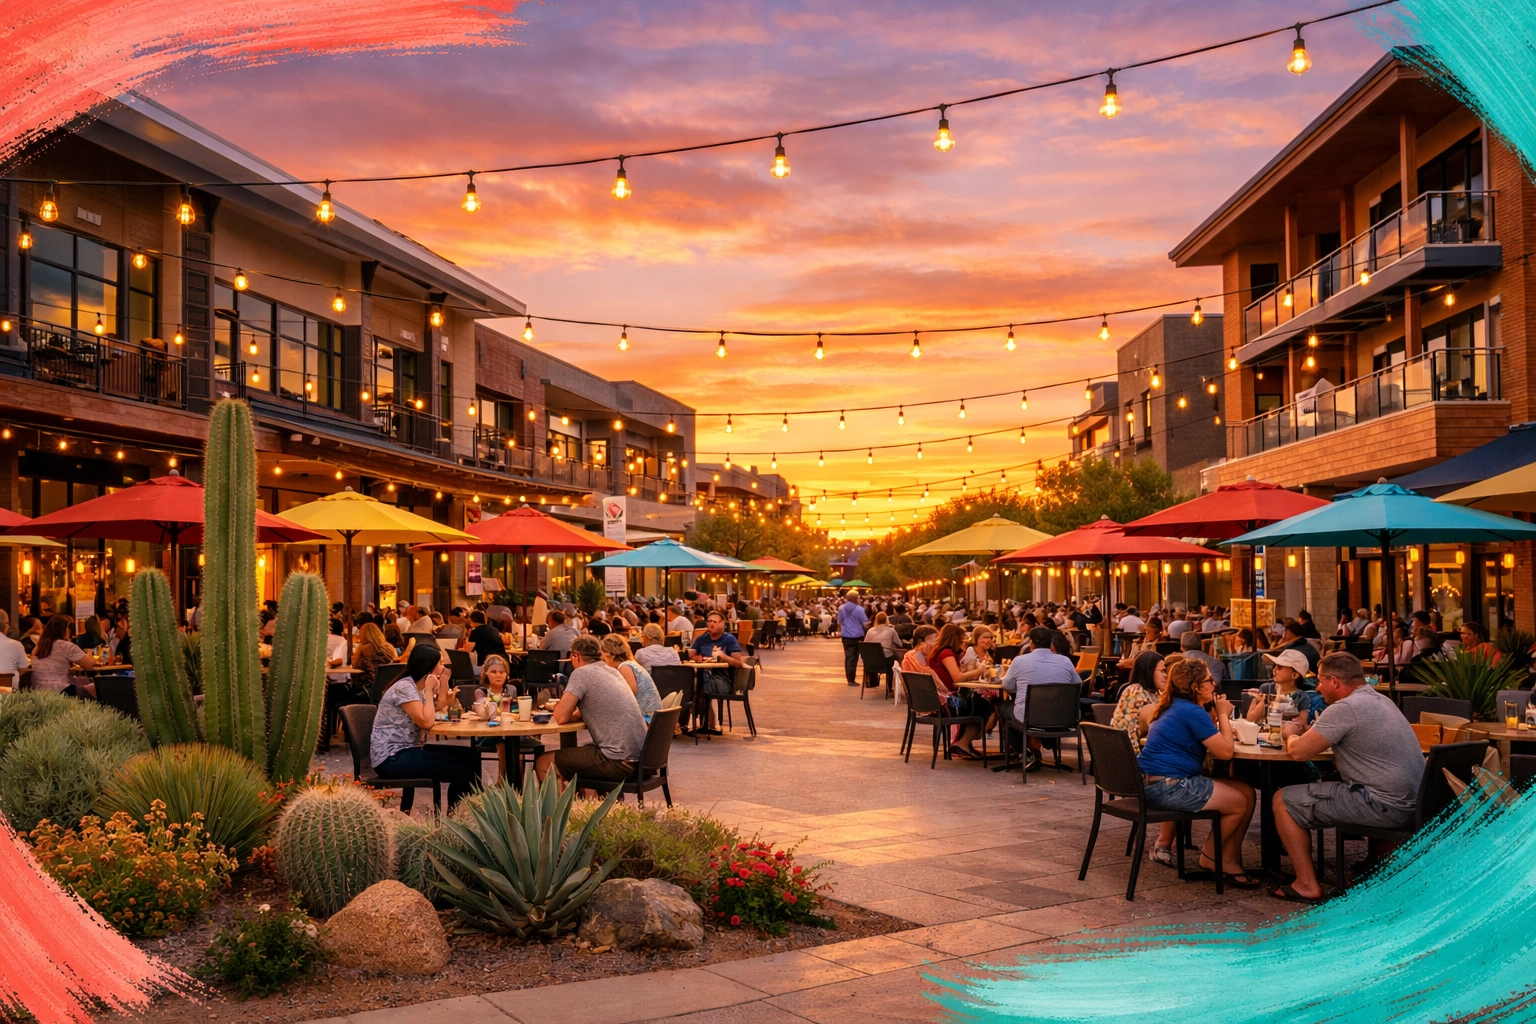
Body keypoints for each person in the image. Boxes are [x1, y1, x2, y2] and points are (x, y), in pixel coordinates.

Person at [1271, 652, 1427, 903]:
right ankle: (1376, 863)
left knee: (1282, 800)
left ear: (1334, 681)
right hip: (1416, 805)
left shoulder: (1345, 707)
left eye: (1320, 681)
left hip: (1382, 805)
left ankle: (1306, 885)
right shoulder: (1382, 700)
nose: (1318, 687)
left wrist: (1290, 733)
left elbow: (1299, 752)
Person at [1136, 658, 1260, 887]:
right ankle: (1210, 856)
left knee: (1246, 791)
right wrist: (1222, 713)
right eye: (1208, 680)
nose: (1214, 684)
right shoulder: (1190, 710)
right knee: (1239, 803)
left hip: (1153, 783)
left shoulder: (1176, 705)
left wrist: (1213, 711)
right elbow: (1224, 752)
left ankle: (1229, 858)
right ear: (1195, 686)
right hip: (1169, 786)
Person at [370, 645, 481, 808]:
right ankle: (458, 820)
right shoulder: (405, 688)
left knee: (471, 755)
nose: (443, 667)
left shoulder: (415, 687)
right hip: (391, 758)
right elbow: (426, 722)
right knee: (462, 770)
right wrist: (429, 690)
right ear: (428, 665)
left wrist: (443, 682)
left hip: (408, 750)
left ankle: (472, 813)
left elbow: (436, 708)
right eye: (440, 663)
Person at [536, 636, 648, 788]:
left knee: (543, 763)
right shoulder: (612, 671)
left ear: (575, 656)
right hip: (640, 760)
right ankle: (578, 806)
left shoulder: (581, 673)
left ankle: (559, 811)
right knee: (577, 755)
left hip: (617, 762)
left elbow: (561, 717)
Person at [1000, 626, 1081, 769]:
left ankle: (1022, 751)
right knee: (1035, 709)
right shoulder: (1065, 661)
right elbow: (1077, 685)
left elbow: (1007, 685)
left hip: (1029, 717)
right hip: (1062, 717)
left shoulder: (1019, 661)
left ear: (1031, 643)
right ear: (1050, 643)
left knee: (1003, 707)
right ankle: (1040, 744)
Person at [928, 623, 992, 760]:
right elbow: (956, 677)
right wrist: (979, 670)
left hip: (939, 700)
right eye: (962, 639)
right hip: (947, 703)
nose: (964, 642)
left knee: (976, 702)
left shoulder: (938, 650)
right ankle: (962, 743)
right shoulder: (947, 653)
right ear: (955, 638)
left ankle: (964, 743)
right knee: (984, 705)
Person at [1110, 651, 1164, 754]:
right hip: (1132, 756)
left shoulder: (1151, 693)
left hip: (1124, 756)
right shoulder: (1136, 693)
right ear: (1149, 671)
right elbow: (1159, 729)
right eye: (1162, 671)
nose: (1166, 676)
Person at [31, 614, 99, 696]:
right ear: (65, 629)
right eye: (70, 628)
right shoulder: (66, 646)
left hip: (38, 689)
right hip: (60, 689)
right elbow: (90, 665)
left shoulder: (38, 646)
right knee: (93, 692)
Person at [599, 633, 662, 717]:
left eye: (604, 660)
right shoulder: (631, 664)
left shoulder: (624, 667)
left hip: (647, 719)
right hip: (650, 717)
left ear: (612, 656)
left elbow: (628, 695)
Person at [837, 596, 870, 686]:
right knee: (861, 657)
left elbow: (839, 621)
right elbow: (865, 622)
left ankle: (850, 680)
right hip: (858, 635)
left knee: (849, 658)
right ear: (855, 599)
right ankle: (868, 679)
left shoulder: (841, 608)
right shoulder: (859, 609)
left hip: (846, 636)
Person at [0, 610, 29, 681]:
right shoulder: (16, 644)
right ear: (6, 629)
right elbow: (24, 669)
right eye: (7, 623)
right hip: (9, 688)